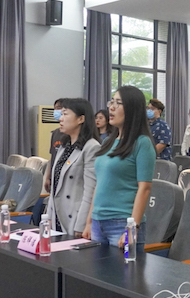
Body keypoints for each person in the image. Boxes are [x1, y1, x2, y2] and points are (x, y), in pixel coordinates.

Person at [84, 86, 156, 247]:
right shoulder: (108, 141)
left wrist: (132, 227)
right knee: (95, 265)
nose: (112, 107)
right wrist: (89, 221)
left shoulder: (142, 143)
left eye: (118, 103)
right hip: (98, 222)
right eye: (111, 102)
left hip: (122, 222)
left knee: (125, 264)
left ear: (132, 109)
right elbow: (99, 183)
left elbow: (144, 188)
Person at [47, 98, 101, 237]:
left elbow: (90, 191)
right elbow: (55, 188)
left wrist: (82, 225)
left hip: (75, 218)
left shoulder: (91, 147)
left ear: (80, 119)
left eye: (65, 114)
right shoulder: (63, 146)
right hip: (56, 216)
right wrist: (48, 217)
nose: (61, 118)